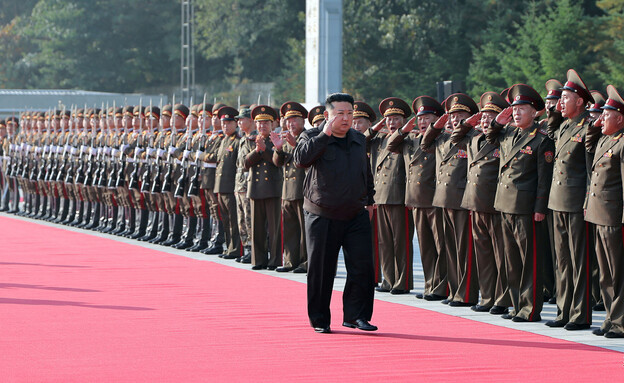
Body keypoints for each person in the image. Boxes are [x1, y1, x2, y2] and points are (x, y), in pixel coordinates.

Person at [294, 92, 377, 334]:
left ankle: (357, 316)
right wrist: (324, 135)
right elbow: (301, 159)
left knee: (362, 267)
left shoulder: (359, 139)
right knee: (321, 269)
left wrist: (370, 200)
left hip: (355, 213)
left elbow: (365, 172)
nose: (346, 118)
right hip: (322, 214)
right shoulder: (311, 136)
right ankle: (320, 318)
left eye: (349, 113)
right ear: (327, 115)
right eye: (340, 113)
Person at [486, 83, 555, 322]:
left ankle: (530, 309)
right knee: (512, 260)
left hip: (526, 207)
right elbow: (490, 137)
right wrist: (498, 121)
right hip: (504, 204)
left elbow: (544, 179)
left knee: (529, 260)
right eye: (514, 109)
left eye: (521, 109)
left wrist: (540, 208)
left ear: (534, 112)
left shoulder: (541, 140)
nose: (515, 113)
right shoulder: (509, 133)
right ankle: (517, 305)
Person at [545, 69, 593, 330]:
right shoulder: (563, 125)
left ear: (580, 102)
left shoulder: (588, 128)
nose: (560, 103)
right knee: (561, 260)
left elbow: (590, 170)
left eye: (565, 98)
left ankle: (580, 314)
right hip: (557, 201)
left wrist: (587, 201)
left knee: (578, 261)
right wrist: (554, 112)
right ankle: (564, 310)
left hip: (576, 203)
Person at [584, 84, 624, 338]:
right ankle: (610, 317)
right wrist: (595, 127)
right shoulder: (605, 140)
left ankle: (620, 322)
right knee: (605, 273)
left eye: (606, 116)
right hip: (599, 214)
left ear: (619, 118)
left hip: (613, 216)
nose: (601, 119)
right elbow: (590, 160)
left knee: (617, 272)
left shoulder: (621, 144)